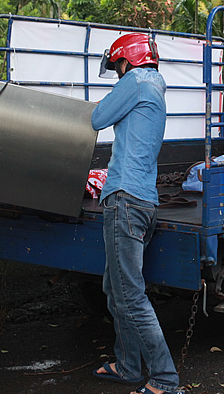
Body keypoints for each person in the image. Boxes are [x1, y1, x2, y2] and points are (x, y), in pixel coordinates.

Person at [90, 33, 183, 394]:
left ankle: (164, 378)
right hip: (143, 200)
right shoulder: (155, 85)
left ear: (127, 61)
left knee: (129, 293)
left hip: (125, 199)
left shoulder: (135, 81)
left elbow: (98, 117)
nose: (116, 73)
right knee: (115, 288)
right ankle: (128, 365)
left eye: (117, 66)